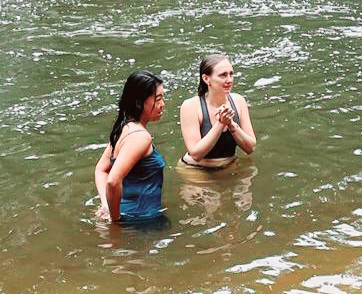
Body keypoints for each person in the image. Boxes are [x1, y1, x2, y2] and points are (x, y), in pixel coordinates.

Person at [94, 71, 166, 223]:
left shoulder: (123, 128)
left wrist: (106, 205)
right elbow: (112, 181)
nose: (162, 104)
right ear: (139, 102)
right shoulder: (140, 137)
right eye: (158, 99)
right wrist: (115, 221)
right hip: (140, 221)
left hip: (130, 216)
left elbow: (101, 169)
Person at [179, 54, 256, 169]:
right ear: (206, 79)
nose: (229, 80)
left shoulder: (238, 101)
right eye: (223, 75)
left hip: (229, 166)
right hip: (195, 169)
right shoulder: (190, 106)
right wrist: (220, 124)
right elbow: (196, 154)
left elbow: (250, 148)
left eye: (231, 74)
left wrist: (231, 125)